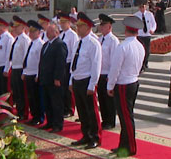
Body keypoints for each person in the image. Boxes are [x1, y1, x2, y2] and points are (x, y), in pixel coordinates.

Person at [106, 16, 146, 156]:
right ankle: (123, 145)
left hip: (123, 84)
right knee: (125, 116)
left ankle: (130, 147)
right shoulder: (140, 46)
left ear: (126, 29)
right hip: (133, 81)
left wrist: (110, 85)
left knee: (126, 117)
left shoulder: (123, 46)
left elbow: (115, 68)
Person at [70, 12, 102, 149]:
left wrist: (92, 84)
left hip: (87, 80)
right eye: (77, 26)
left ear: (88, 27)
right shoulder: (78, 42)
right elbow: (74, 62)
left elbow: (96, 65)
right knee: (82, 111)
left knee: (91, 111)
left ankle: (95, 137)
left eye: (80, 26)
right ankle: (85, 135)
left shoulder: (93, 43)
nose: (77, 28)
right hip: (77, 80)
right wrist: (71, 81)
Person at [38, 20, 68, 132]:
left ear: (56, 32)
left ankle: (57, 124)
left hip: (54, 80)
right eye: (47, 31)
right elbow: (42, 62)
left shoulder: (60, 44)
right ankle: (49, 122)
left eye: (50, 31)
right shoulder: (46, 44)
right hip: (45, 78)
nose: (47, 33)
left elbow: (60, 63)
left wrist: (57, 78)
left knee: (56, 103)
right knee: (48, 102)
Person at [96, 14, 120, 129]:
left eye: (103, 25)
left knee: (109, 100)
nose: (101, 27)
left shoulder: (113, 40)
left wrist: (111, 76)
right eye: (101, 25)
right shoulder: (100, 39)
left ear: (109, 26)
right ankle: (104, 119)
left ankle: (110, 121)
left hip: (108, 74)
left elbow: (114, 60)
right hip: (100, 73)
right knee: (101, 98)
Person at [22, 20, 44, 124]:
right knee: (31, 97)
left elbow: (41, 61)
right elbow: (27, 59)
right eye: (30, 31)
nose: (30, 33)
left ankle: (39, 117)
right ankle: (34, 115)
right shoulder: (31, 43)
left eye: (33, 31)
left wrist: (38, 75)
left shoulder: (40, 44)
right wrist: (24, 72)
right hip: (29, 73)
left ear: (38, 32)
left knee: (37, 98)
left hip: (35, 74)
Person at [134, 3, 157, 70]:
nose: (142, 9)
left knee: (147, 50)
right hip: (140, 35)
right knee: (140, 50)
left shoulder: (150, 14)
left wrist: (152, 30)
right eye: (141, 7)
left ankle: (145, 63)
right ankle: (141, 65)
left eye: (143, 7)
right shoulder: (136, 15)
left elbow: (154, 23)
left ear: (145, 7)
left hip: (147, 34)